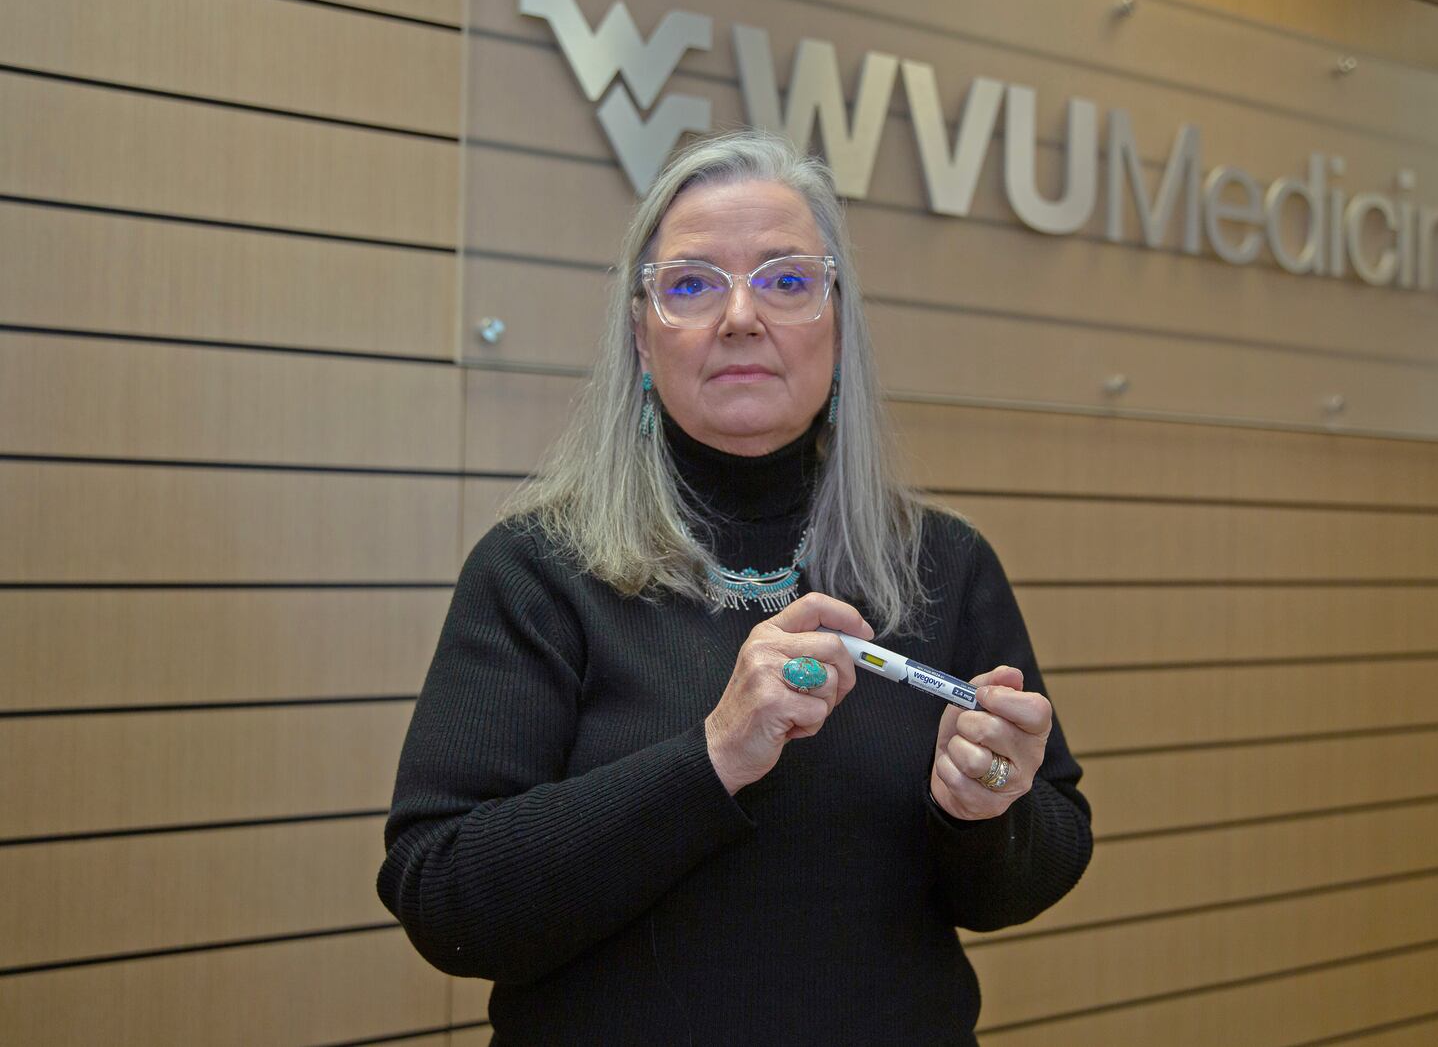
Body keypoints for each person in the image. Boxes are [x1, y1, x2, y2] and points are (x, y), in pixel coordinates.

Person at [377, 129, 1092, 1045]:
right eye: (692, 284)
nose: (742, 316)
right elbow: (443, 895)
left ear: (839, 324)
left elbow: (1040, 859)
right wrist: (713, 757)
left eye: (787, 281)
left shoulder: (942, 565)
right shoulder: (535, 569)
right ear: (641, 334)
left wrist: (986, 808)